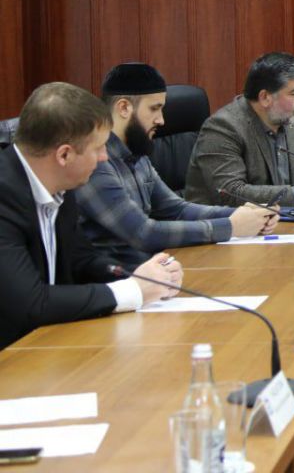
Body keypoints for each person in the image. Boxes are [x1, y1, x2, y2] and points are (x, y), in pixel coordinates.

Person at [0, 83, 182, 348]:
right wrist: (132, 291)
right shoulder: (4, 196)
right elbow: (30, 303)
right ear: (65, 155)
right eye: (98, 148)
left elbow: (81, 260)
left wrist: (143, 277)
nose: (105, 157)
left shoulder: (60, 184)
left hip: (46, 345)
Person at [75, 63, 277, 270]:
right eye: (154, 109)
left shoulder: (137, 152)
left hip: (156, 270)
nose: (161, 120)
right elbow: (142, 233)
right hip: (120, 278)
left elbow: (176, 209)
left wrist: (244, 214)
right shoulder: (96, 163)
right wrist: (231, 226)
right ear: (124, 108)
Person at [185, 52, 294, 207]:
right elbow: (230, 193)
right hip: (224, 225)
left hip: (288, 222)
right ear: (265, 97)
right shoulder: (223, 127)